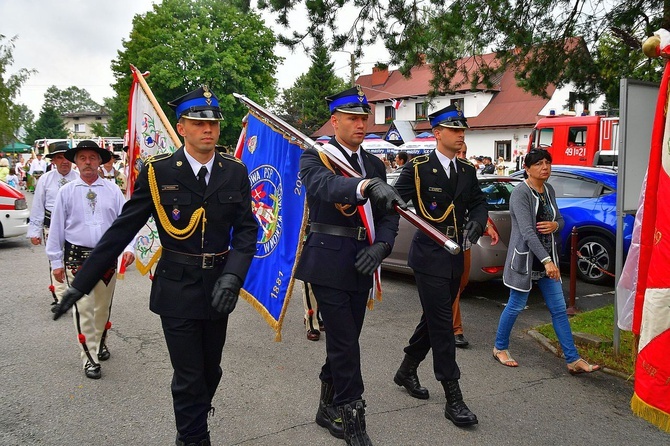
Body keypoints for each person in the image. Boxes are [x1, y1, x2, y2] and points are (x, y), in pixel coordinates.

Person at [53, 86, 258, 446]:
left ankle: (193, 421)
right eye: (197, 122)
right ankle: (193, 437)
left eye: (213, 123)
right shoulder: (158, 172)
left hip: (218, 286)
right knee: (189, 375)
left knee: (212, 370)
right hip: (176, 287)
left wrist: (233, 275)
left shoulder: (234, 171)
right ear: (182, 127)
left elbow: (246, 231)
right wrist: (80, 284)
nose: (207, 129)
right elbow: (120, 232)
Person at [295, 85, 404, 445]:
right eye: (353, 118)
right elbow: (323, 187)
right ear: (335, 120)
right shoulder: (316, 157)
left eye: (364, 117)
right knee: (345, 343)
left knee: (346, 339)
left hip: (363, 261)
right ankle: (352, 415)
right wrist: (364, 187)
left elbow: (388, 213)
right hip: (327, 261)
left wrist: (383, 247)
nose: (360, 124)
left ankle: (324, 408)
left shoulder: (373, 163)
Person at [392, 105, 487, 427]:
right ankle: (453, 396)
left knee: (434, 318)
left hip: (455, 254)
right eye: (455, 130)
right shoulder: (417, 169)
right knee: (443, 325)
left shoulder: (466, 171)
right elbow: (395, 201)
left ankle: (406, 369)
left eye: (463, 130)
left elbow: (478, 203)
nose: (461, 135)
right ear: (437, 133)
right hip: (429, 255)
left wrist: (477, 222)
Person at [493, 149, 600, 375]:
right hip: (527, 261)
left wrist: (555, 226)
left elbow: (559, 220)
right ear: (527, 168)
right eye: (539, 163)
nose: (545, 167)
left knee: (559, 310)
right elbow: (527, 232)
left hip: (547, 260)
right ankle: (500, 348)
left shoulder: (548, 190)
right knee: (515, 305)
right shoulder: (520, 193)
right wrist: (547, 261)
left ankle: (572, 359)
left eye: (548, 162)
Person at [45, 140, 135, 380]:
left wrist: (129, 247)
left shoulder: (112, 190)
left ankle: (99, 344)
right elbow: (56, 230)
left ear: (99, 161)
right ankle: (89, 358)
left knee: (102, 308)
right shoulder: (66, 191)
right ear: (76, 161)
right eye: (82, 158)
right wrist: (56, 262)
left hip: (106, 258)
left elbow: (125, 223)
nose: (87, 162)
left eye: (92, 158)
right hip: (77, 258)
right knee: (83, 309)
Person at [452, 142, 499, 348]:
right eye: (458, 152)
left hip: (465, 239)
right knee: (451, 286)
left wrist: (485, 223)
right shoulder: (437, 171)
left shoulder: (468, 173)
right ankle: (455, 328)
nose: (462, 155)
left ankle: (437, 316)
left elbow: (476, 203)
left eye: (464, 152)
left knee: (461, 283)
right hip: (443, 240)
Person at [27, 142, 79, 306]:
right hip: (51, 225)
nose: (64, 161)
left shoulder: (79, 178)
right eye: (59, 158)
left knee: (73, 259)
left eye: (66, 158)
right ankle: (60, 297)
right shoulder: (45, 179)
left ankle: (75, 292)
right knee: (55, 259)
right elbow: (37, 205)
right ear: (53, 161)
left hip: (73, 225)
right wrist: (35, 231)